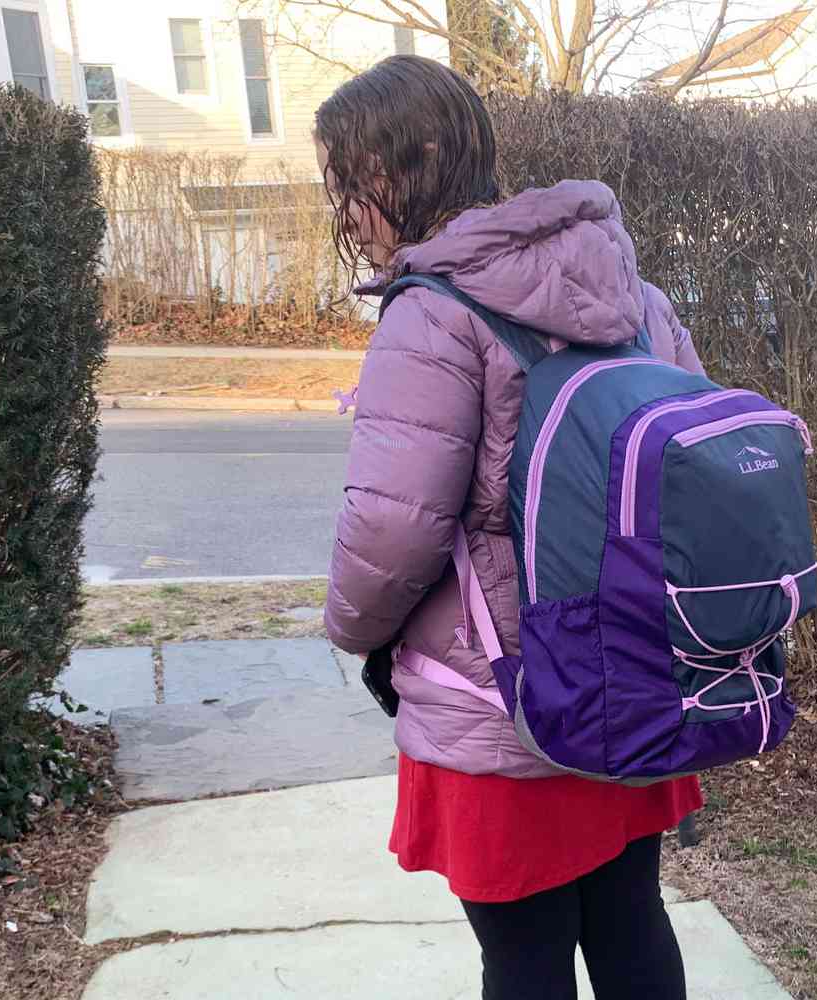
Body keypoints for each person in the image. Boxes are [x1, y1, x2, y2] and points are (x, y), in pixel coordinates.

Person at [318, 55, 706, 1000]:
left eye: (347, 183)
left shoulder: (434, 315)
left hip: (501, 694)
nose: (345, 215)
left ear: (404, 169)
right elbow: (689, 456)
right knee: (630, 924)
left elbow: (391, 531)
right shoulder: (627, 292)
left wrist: (351, 634)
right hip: (626, 675)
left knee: (523, 958)